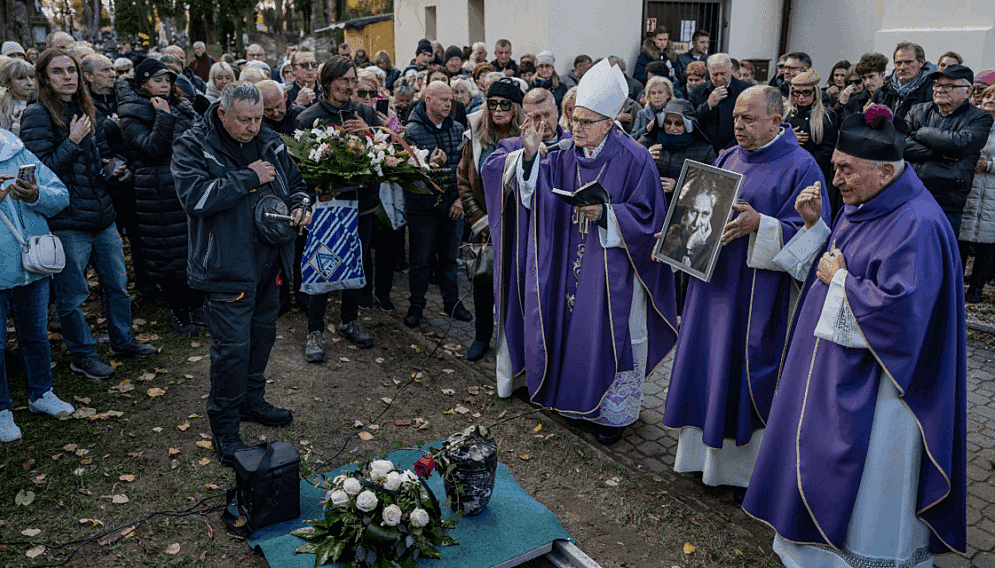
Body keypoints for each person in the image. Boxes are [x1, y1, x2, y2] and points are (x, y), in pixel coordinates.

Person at [743, 104, 967, 568]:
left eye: (846, 169)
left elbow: (904, 317)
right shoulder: (865, 200)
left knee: (869, 482)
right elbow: (832, 261)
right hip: (833, 366)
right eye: (835, 166)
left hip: (884, 387)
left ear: (885, 169)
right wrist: (815, 228)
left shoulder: (918, 223)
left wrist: (843, 282)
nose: (836, 179)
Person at [496, 59, 677, 445]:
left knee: (615, 335)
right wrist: (530, 157)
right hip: (569, 264)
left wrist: (609, 215)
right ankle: (572, 405)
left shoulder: (636, 158)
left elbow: (651, 220)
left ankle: (613, 416)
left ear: (609, 123)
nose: (576, 128)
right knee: (570, 328)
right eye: (574, 119)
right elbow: (535, 197)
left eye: (585, 122)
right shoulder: (564, 153)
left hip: (616, 270)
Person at [662, 86, 830, 499]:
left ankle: (740, 472)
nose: (738, 126)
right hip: (711, 286)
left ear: (776, 121)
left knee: (740, 369)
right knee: (705, 361)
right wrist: (677, 232)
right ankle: (698, 459)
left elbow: (815, 236)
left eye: (748, 119)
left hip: (755, 296)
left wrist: (763, 225)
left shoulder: (802, 167)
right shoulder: (727, 157)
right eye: (736, 117)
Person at [172, 81, 312, 465]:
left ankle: (252, 400)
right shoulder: (193, 144)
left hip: (269, 262)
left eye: (258, 118)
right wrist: (248, 177)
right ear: (222, 113)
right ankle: (225, 429)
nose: (252, 127)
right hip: (225, 267)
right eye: (244, 120)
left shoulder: (268, 139)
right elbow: (194, 198)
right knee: (231, 351)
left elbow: (296, 183)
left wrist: (300, 206)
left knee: (262, 336)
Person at [20, 48, 158, 381]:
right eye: (58, 71)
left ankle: (122, 340)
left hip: (101, 213)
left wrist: (113, 169)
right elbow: (43, 173)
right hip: (67, 220)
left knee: (117, 285)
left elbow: (98, 157)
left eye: (71, 70)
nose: (67, 76)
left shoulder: (85, 107)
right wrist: (73, 140)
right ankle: (82, 355)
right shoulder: (37, 115)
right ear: (44, 78)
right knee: (72, 296)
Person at [475, 86, 570, 395]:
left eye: (547, 115)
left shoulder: (573, 145)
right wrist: (526, 156)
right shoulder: (512, 146)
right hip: (522, 248)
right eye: (533, 117)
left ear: (558, 112)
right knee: (521, 307)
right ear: (523, 118)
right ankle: (521, 378)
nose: (541, 123)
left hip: (563, 247)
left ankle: (556, 379)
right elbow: (490, 172)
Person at [295, 57, 381, 358]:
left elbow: (390, 146)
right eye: (343, 80)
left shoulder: (365, 111)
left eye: (353, 80)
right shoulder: (309, 117)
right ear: (327, 82)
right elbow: (299, 167)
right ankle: (315, 331)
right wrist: (315, 185)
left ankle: (349, 321)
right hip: (327, 209)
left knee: (356, 262)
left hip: (362, 205)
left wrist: (369, 132)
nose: (349, 86)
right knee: (323, 265)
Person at [0, 128, 74, 442]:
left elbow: (61, 195)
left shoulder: (15, 150)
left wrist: (36, 195)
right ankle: (1, 410)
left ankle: (41, 393)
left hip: (32, 264)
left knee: (35, 335)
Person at [119, 58, 201, 335]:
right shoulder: (132, 113)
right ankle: (179, 310)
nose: (165, 85)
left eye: (167, 80)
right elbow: (151, 150)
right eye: (158, 80)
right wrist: (163, 117)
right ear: (143, 84)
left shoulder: (180, 105)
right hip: (157, 192)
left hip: (187, 184)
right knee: (168, 255)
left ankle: (197, 304)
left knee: (192, 247)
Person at [456, 78, 524, 361]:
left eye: (505, 104)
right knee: (483, 283)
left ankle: (512, 343)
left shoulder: (529, 137)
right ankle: (482, 336)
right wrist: (480, 221)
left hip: (519, 225)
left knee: (516, 287)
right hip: (483, 225)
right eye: (492, 103)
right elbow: (463, 179)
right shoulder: (475, 136)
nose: (498, 109)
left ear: (516, 108)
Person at [401, 81, 471, 328]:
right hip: (422, 209)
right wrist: (428, 165)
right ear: (428, 100)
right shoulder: (410, 132)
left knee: (450, 259)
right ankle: (416, 306)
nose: (448, 104)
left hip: (452, 207)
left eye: (450, 100)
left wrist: (461, 199)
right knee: (421, 261)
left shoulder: (459, 128)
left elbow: (467, 168)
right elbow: (403, 175)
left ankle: (452, 302)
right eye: (443, 99)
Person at [638, 98, 716, 312]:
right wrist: (643, 157)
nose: (672, 128)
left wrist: (680, 186)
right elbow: (627, 174)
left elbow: (712, 189)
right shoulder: (647, 143)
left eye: (678, 123)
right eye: (668, 122)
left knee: (680, 284)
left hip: (685, 223)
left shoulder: (704, 149)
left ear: (689, 125)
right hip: (650, 219)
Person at [904, 64, 994, 234]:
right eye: (937, 85)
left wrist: (920, 133)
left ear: (968, 91)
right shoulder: (918, 110)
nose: (940, 90)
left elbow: (961, 146)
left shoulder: (980, 118)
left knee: (938, 249)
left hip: (946, 200)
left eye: (949, 86)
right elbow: (898, 143)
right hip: (909, 193)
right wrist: (938, 152)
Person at [786, 70, 839, 215]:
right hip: (787, 172)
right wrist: (789, 138)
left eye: (806, 92)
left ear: (815, 92)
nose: (801, 97)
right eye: (796, 92)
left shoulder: (826, 116)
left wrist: (804, 166)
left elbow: (828, 150)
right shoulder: (786, 114)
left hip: (813, 173)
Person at [960, 85, 995, 304]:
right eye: (989, 96)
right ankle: (956, 282)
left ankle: (976, 287)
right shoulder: (973, 121)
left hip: (992, 192)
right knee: (962, 237)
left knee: (986, 243)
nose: (991, 100)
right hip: (970, 187)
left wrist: (989, 165)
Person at [689, 53, 752, 152]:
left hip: (737, 149)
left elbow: (750, 123)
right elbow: (691, 123)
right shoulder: (697, 91)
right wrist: (708, 105)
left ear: (731, 69)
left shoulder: (746, 90)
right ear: (709, 73)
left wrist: (728, 149)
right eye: (715, 75)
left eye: (723, 74)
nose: (719, 78)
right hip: (704, 150)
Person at [660, 183, 720, 272]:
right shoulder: (671, 234)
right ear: (685, 211)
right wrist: (689, 247)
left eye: (705, 214)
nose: (696, 222)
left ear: (711, 216)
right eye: (694, 212)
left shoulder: (712, 249)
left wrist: (691, 248)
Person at [872, 42, 936, 121]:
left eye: (908, 62)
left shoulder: (933, 91)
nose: (902, 67)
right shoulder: (882, 92)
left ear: (921, 63)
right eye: (898, 63)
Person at [839, 52, 888, 122]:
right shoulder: (854, 101)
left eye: (871, 76)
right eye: (864, 78)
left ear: (882, 75)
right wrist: (864, 116)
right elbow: (845, 125)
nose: (867, 82)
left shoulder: (893, 99)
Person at [0, 59, 34, 134]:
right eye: (21, 78)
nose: (30, 83)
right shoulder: (2, 106)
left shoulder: (45, 102)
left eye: (32, 77)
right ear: (8, 82)